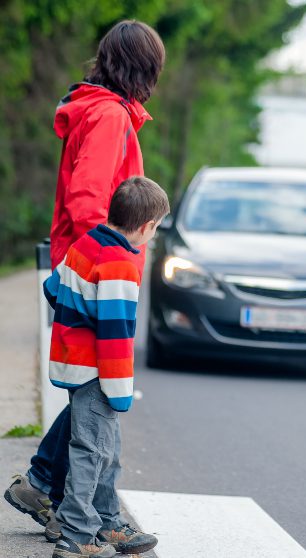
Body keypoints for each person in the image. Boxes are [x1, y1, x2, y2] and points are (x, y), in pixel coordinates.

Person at [3, 19, 164, 540]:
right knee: (97, 395)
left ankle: (44, 484)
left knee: (89, 393)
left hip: (83, 266)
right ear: (144, 69)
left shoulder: (99, 110)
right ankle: (82, 518)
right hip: (97, 273)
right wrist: (112, 261)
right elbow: (88, 201)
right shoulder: (110, 117)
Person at [47, 177, 169, 558]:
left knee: (105, 447)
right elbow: (115, 337)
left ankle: (107, 520)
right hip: (97, 372)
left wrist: (78, 312)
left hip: (72, 360)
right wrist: (119, 392)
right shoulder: (120, 265)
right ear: (147, 227)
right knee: (91, 450)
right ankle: (77, 534)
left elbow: (53, 287)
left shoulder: (86, 243)